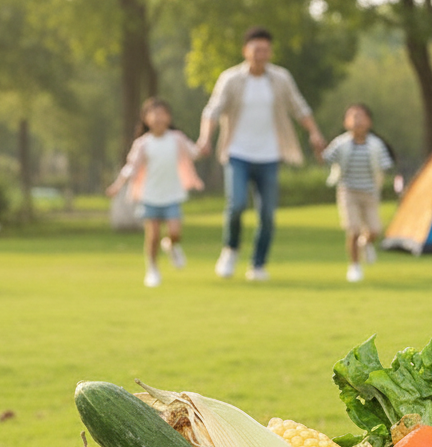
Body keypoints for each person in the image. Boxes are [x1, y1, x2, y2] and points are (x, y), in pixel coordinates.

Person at [196, 26, 326, 282]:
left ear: (270, 52)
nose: (260, 54)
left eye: (265, 49)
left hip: (269, 154)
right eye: (256, 49)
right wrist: (205, 138)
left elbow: (299, 107)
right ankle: (230, 249)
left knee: (267, 214)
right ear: (246, 50)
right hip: (238, 152)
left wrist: (314, 133)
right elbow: (212, 110)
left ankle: (258, 264)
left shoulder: (280, 78)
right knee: (237, 205)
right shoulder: (231, 79)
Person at [106, 98, 203, 288]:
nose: (159, 118)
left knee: (175, 232)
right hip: (150, 196)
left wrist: (204, 144)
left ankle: (171, 246)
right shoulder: (143, 144)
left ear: (169, 117)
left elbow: (193, 152)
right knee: (153, 235)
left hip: (172, 195)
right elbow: (131, 167)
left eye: (162, 113)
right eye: (154, 114)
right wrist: (118, 185)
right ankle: (152, 269)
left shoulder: (177, 139)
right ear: (146, 118)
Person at [323, 103, 395, 282]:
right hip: (348, 191)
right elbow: (325, 158)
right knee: (353, 229)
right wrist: (318, 147)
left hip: (370, 192)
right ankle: (354, 267)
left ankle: (366, 243)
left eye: (361, 117)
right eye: (353, 117)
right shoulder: (341, 144)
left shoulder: (376, 145)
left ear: (369, 121)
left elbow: (385, 166)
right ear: (346, 122)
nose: (357, 121)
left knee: (375, 230)